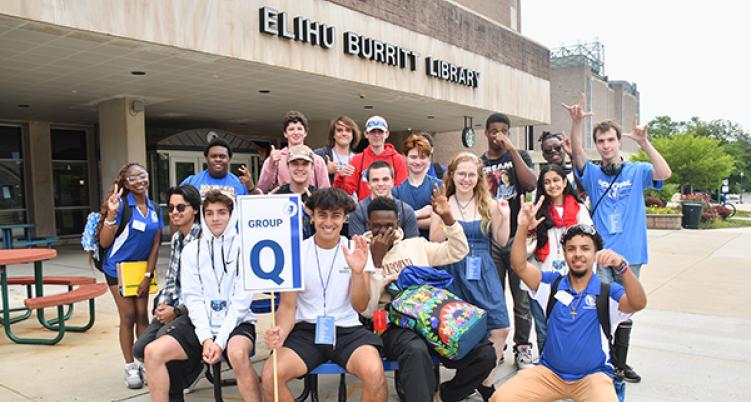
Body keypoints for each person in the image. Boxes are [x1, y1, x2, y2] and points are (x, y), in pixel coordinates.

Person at [565, 93, 671, 382]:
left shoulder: (637, 171)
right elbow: (576, 155)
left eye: (610, 140)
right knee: (598, 309)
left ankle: (619, 364)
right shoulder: (594, 175)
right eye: (600, 141)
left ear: (618, 142)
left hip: (631, 254)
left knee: (626, 310)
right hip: (600, 258)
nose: (606, 145)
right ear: (597, 144)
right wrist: (576, 123)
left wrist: (645, 143)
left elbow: (665, 172)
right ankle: (598, 362)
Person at [494, 203, 647, 402]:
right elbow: (519, 266)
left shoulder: (606, 291)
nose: (578, 254)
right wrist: (523, 226)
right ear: (564, 254)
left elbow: (638, 303)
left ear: (595, 254)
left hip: (592, 377)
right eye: (571, 249)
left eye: (585, 249)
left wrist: (623, 268)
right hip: (549, 374)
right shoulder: (552, 284)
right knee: (501, 398)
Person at [364, 194, 497, 402]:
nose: (383, 232)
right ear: (368, 224)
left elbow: (458, 251)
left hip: (431, 316)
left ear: (398, 223)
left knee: (485, 354)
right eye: (377, 226)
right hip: (395, 323)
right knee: (416, 351)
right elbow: (367, 309)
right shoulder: (361, 253)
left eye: (389, 225)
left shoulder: (415, 245)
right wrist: (377, 262)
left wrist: (448, 219)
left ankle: (444, 396)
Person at [262, 188, 386, 402]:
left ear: (345, 217)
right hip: (307, 331)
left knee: (375, 373)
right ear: (312, 215)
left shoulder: (356, 250)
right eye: (322, 215)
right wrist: (280, 332)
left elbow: (360, 305)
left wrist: (357, 272)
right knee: (270, 376)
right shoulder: (296, 252)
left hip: (348, 330)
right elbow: (288, 306)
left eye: (336, 215)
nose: (328, 222)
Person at [143, 190, 261, 402]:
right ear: (203, 216)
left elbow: (241, 303)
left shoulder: (246, 247)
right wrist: (206, 338)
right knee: (152, 352)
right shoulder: (191, 250)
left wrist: (220, 341)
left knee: (237, 355)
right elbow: (192, 298)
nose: (215, 218)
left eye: (222, 212)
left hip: (237, 322)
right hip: (200, 324)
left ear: (231, 214)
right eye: (209, 213)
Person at [429, 152, 511, 392]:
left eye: (471, 174)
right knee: (458, 329)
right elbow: (434, 239)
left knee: (500, 327)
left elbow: (501, 239)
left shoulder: (490, 204)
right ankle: (464, 383)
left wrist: (504, 217)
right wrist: (445, 216)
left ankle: (486, 382)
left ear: (479, 177)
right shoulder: (444, 203)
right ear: (452, 176)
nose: (466, 179)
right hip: (452, 269)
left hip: (482, 269)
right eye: (461, 174)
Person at [96, 162, 163, 388]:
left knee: (142, 315)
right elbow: (105, 241)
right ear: (125, 183)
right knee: (128, 316)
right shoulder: (122, 206)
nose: (139, 181)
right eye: (132, 179)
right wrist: (112, 215)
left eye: (142, 176)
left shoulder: (155, 207)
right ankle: (130, 367)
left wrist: (147, 274)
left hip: (140, 270)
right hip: (117, 268)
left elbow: (155, 244)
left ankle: (144, 361)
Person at [133, 185, 203, 398]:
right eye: (171, 208)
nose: (175, 212)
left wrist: (178, 311)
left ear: (195, 210)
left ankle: (185, 376)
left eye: (181, 207)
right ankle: (185, 373)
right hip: (175, 307)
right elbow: (172, 279)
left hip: (195, 311)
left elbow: (203, 289)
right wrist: (163, 305)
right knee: (139, 349)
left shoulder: (203, 240)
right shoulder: (176, 239)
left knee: (161, 345)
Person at [481, 113, 537, 369]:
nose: (498, 135)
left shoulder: (519, 157)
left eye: (504, 131)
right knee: (493, 295)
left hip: (516, 237)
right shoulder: (480, 163)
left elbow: (529, 184)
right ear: (486, 133)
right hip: (490, 237)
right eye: (494, 131)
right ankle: (497, 343)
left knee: (521, 296)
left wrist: (512, 150)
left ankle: (523, 347)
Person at [527, 164, 592, 353]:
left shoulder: (579, 209)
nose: (552, 185)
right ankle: (546, 370)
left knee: (570, 327)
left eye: (556, 180)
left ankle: (567, 370)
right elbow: (524, 250)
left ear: (564, 182)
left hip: (571, 278)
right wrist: (529, 228)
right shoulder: (536, 210)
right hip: (541, 276)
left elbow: (589, 243)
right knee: (543, 328)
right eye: (546, 182)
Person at [333, 115, 407, 201]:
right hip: (365, 211)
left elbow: (402, 190)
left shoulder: (398, 159)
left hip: (391, 210)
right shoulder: (357, 160)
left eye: (380, 132)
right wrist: (341, 177)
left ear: (386, 134)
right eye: (372, 132)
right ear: (366, 134)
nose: (376, 135)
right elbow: (346, 191)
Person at [257, 110, 330, 192]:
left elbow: (325, 192)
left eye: (299, 129)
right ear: (285, 133)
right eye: (291, 129)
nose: (296, 133)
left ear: (305, 132)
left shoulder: (317, 160)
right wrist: (271, 165)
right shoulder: (275, 159)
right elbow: (262, 189)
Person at [348, 160, 419, 238]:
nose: (380, 184)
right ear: (368, 184)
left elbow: (413, 245)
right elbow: (358, 245)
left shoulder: (406, 211)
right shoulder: (357, 211)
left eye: (385, 179)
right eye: (375, 180)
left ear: (392, 182)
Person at [392, 134, 443, 238]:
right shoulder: (396, 191)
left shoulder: (438, 186)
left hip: (432, 248)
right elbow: (393, 223)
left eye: (423, 157)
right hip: (405, 248)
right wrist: (419, 213)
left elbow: (442, 222)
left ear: (429, 158)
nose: (418, 162)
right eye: (413, 157)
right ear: (405, 157)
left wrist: (406, 220)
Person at [181, 137, 257, 198]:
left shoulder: (240, 185)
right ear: (206, 158)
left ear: (229, 159)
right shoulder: (191, 182)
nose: (218, 159)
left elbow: (254, 209)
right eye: (213, 156)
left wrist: (251, 187)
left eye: (222, 156)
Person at [269, 145, 318, 239]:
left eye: (305, 164)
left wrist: (315, 213)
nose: (300, 168)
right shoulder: (277, 195)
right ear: (288, 166)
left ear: (312, 167)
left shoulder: (319, 197)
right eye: (295, 164)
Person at [314, 115, 361, 184]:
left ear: (353, 135)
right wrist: (325, 170)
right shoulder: (320, 154)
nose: (344, 133)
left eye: (348, 130)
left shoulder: (360, 158)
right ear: (333, 134)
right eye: (339, 130)